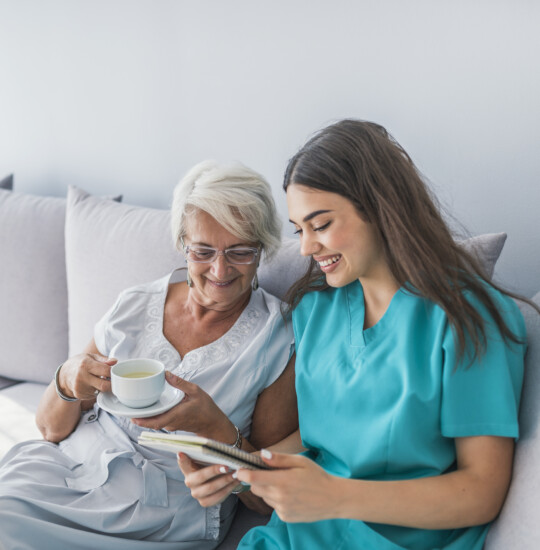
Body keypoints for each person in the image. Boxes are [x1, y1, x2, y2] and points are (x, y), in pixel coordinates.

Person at [179, 120, 533, 550]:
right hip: (297, 538)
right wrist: (241, 470)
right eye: (299, 230)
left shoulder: (468, 317)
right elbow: (315, 441)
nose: (307, 248)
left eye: (321, 224)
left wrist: (336, 497)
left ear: (380, 208)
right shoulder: (315, 312)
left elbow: (481, 491)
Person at [0, 160, 298, 549]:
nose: (220, 269)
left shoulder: (277, 338)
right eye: (203, 251)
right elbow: (50, 430)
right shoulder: (135, 304)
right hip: (70, 470)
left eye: (240, 251)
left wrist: (216, 429)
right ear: (182, 244)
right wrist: (67, 377)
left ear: (262, 251)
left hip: (162, 511)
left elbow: (262, 499)